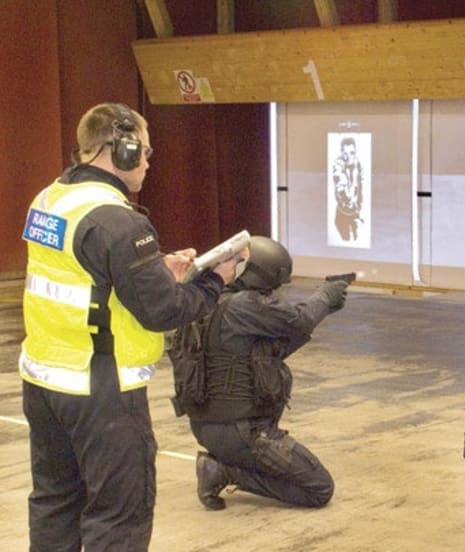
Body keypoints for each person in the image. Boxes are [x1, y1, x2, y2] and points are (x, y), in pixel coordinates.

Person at [19, 102, 239, 551]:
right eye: (145, 151)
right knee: (119, 515)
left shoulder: (50, 199)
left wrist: (156, 269)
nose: (147, 162)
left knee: (55, 502)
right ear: (123, 149)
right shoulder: (119, 220)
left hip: (44, 379)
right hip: (101, 389)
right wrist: (216, 280)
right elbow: (163, 311)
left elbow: (86, 274)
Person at [183, 236, 349, 510]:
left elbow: (271, 352)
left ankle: (226, 464)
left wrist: (325, 308)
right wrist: (325, 295)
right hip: (243, 432)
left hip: (208, 427)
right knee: (319, 488)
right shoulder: (244, 305)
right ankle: (225, 471)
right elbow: (300, 319)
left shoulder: (210, 303)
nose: (272, 294)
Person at [332, 137, 363, 241]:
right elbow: (342, 187)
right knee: (346, 240)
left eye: (352, 153)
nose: (349, 157)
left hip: (355, 213)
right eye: (345, 154)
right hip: (342, 214)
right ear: (341, 153)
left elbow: (361, 186)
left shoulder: (358, 164)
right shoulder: (338, 165)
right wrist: (346, 198)